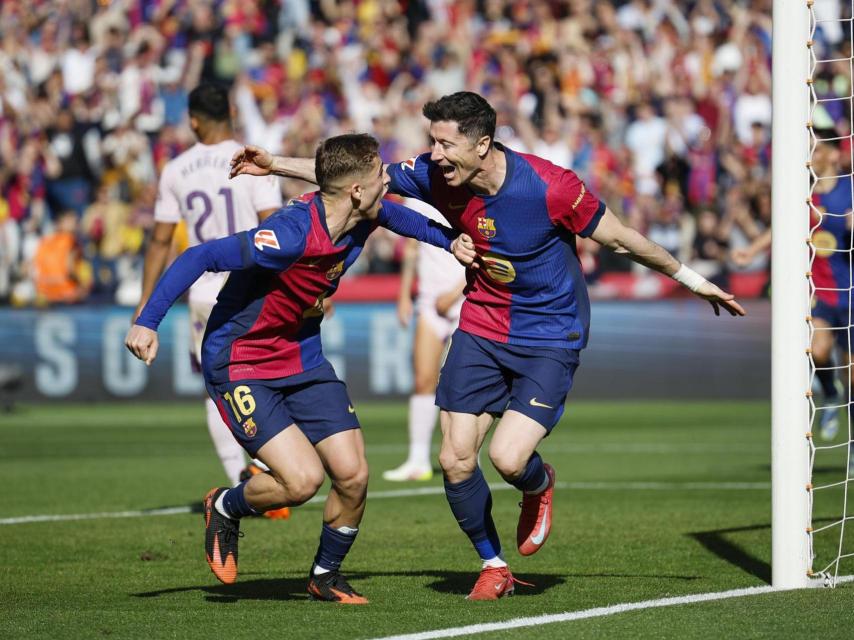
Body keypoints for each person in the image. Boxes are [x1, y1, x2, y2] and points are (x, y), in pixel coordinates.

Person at [229, 91, 745, 601]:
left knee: (509, 459)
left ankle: (538, 485)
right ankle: (492, 564)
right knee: (454, 458)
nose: (434, 154)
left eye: (446, 143)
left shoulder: (551, 187)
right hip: (481, 325)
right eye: (432, 141)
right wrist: (274, 163)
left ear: (483, 145)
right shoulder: (436, 174)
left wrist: (695, 281)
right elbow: (354, 180)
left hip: (550, 335)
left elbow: (621, 239)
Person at [126, 133, 476, 604]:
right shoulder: (289, 234)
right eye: (378, 174)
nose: (386, 180)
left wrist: (452, 241)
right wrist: (147, 322)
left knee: (353, 475)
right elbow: (200, 255)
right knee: (302, 482)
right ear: (356, 189)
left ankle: (324, 576)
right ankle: (227, 505)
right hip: (242, 360)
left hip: (302, 356)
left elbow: (406, 219)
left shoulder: (365, 213)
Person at [132, 83, 287, 513]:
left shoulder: (177, 169)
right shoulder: (253, 159)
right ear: (232, 109)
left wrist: (147, 304)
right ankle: (265, 470)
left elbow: (161, 241)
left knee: (213, 389)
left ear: (194, 120)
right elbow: (273, 228)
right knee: (263, 376)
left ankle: (240, 473)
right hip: (249, 285)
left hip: (202, 291)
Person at [734, 136, 850, 450]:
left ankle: (852, 449)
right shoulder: (806, 195)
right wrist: (752, 250)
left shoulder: (848, 190)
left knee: (853, 375)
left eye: (819, 149)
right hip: (823, 294)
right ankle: (829, 393)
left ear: (835, 155)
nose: (813, 154)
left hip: (850, 293)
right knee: (818, 352)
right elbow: (782, 226)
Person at [384, 199, 466, 482]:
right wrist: (405, 293)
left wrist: (455, 294)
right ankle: (418, 460)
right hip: (430, 301)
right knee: (423, 381)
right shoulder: (415, 196)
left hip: (465, 300)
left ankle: (468, 455)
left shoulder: (467, 192)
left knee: (462, 385)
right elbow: (411, 247)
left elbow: (483, 251)